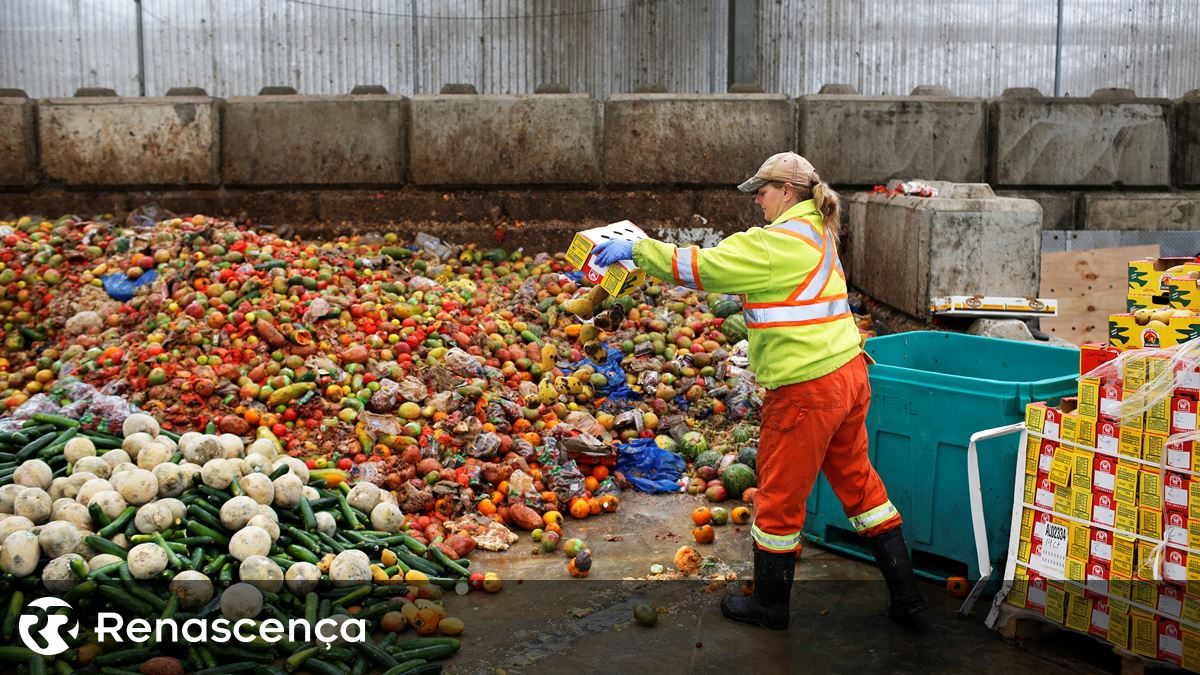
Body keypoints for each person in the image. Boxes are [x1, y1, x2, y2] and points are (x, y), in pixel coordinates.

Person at [591, 152, 924, 630]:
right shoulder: (818, 232)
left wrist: (639, 250)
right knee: (860, 485)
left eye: (762, 193)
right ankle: (907, 597)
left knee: (777, 498)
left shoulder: (778, 243)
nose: (758, 203)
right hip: (849, 374)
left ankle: (770, 605)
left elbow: (705, 267)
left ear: (787, 192)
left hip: (808, 388)